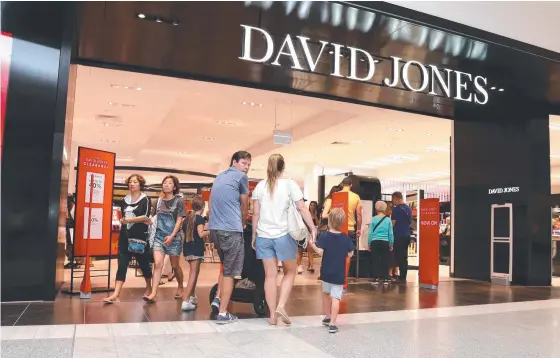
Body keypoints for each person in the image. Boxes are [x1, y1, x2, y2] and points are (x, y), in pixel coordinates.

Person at [252, 154, 317, 326]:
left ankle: (272, 315)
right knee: (290, 271)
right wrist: (313, 227)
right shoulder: (289, 184)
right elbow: (302, 207)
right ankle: (281, 305)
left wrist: (253, 234)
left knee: (270, 275)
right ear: (283, 167)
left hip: (263, 236)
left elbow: (256, 213)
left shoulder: (260, 186)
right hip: (284, 235)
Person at [208, 150, 252, 324]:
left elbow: (211, 201)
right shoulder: (242, 178)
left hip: (215, 229)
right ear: (234, 162)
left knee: (225, 266)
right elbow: (245, 204)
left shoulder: (219, 177)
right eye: (244, 163)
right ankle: (223, 313)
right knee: (231, 272)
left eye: (248, 164)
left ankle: (218, 298)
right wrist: (242, 223)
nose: (246, 167)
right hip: (231, 229)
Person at [104, 174, 153, 303]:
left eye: (135, 182)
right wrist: (123, 220)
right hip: (125, 236)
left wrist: (129, 220)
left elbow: (146, 217)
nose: (132, 184)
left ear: (140, 184)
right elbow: (123, 215)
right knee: (122, 264)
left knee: (144, 264)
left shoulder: (145, 199)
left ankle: (149, 287)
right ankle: (116, 294)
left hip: (139, 237)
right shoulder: (124, 200)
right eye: (130, 182)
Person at [310, 208, 354, 334]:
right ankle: (333, 324)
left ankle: (327, 316)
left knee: (325, 294)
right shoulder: (346, 238)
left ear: (329, 221)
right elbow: (350, 254)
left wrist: (312, 244)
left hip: (326, 272)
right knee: (336, 297)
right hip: (339, 273)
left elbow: (319, 252)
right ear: (342, 222)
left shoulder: (324, 236)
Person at [144, 176, 186, 303]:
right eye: (164, 183)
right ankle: (154, 293)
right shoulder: (158, 201)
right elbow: (153, 217)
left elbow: (179, 219)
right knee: (158, 264)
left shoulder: (179, 202)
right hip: (159, 237)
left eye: (169, 183)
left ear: (174, 187)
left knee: (175, 265)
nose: (166, 185)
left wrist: (172, 235)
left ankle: (180, 285)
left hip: (174, 237)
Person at [181, 195, 209, 311]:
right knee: (193, 274)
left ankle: (192, 296)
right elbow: (201, 234)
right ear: (202, 207)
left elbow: (183, 235)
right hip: (196, 248)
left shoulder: (186, 219)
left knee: (195, 272)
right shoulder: (199, 219)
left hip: (187, 248)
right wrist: (211, 230)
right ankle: (186, 300)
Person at [368, 201, 394, 285]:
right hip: (385, 241)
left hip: (375, 241)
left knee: (375, 259)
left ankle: (376, 278)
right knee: (385, 259)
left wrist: (369, 243)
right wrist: (391, 242)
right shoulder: (388, 220)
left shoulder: (374, 219)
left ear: (376, 209)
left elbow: (370, 232)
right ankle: (386, 278)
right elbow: (390, 233)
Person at [391, 191, 413, 282]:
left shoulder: (396, 209)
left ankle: (401, 277)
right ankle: (403, 276)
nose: (393, 202)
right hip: (407, 235)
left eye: (393, 199)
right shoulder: (408, 209)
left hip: (398, 235)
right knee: (404, 256)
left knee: (399, 256)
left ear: (396, 198)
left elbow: (392, 224)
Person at [297, 201, 319, 274]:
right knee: (300, 249)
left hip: (312, 234)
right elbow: (303, 222)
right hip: (304, 232)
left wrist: (315, 216)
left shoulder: (317, 214)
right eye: (311, 205)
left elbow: (318, 224)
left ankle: (311, 266)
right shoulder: (305, 213)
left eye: (314, 205)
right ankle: (299, 265)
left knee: (310, 249)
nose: (312, 206)